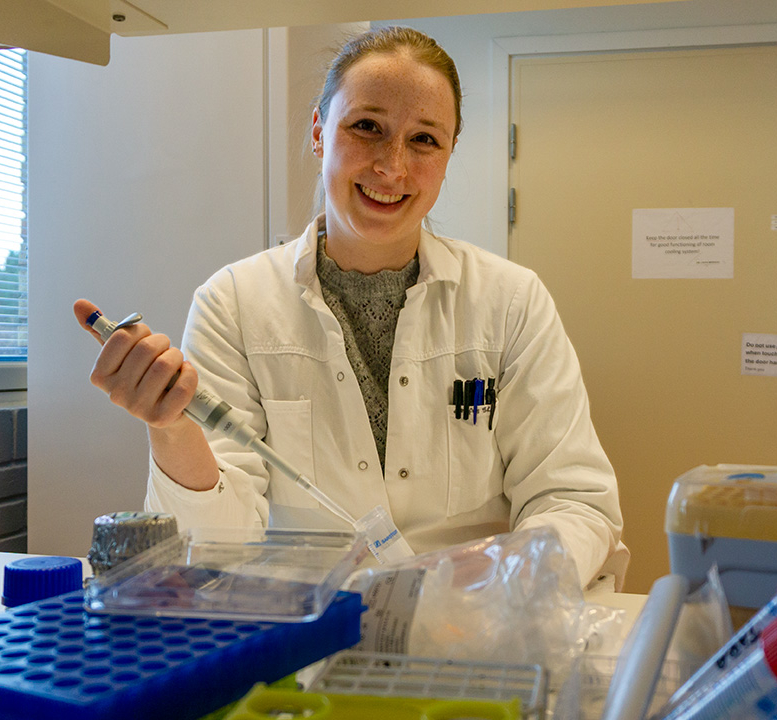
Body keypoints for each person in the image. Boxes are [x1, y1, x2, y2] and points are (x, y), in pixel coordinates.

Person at [75, 26, 629, 590]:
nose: (392, 166)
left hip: (478, 632)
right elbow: (218, 543)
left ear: (449, 154)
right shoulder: (234, 303)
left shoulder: (510, 300)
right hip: (310, 633)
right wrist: (171, 428)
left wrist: (501, 584)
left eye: (424, 140)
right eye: (367, 127)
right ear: (319, 133)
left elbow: (575, 500)